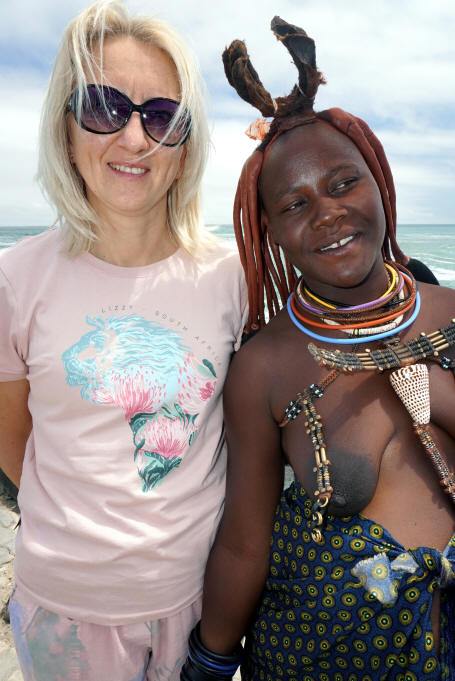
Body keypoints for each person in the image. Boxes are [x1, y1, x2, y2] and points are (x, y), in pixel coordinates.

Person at [180, 18, 455, 681]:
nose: (327, 213)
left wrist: (429, 385)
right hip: (316, 655)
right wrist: (208, 663)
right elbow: (244, 542)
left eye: (341, 183)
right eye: (294, 204)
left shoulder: (449, 314)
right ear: (270, 231)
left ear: (379, 181)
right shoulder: (264, 367)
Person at [0, 2, 247, 679]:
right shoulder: (16, 279)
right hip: (63, 610)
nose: (135, 138)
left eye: (162, 116)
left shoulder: (232, 277)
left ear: (186, 145)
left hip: (199, 605)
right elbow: (15, 438)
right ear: (64, 125)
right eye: (104, 107)